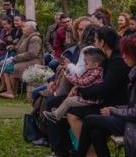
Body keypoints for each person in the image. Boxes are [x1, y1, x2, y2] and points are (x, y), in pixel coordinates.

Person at [46, 26, 130, 156]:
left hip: (114, 106)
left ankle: (86, 154)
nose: (94, 44)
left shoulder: (117, 60)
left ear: (102, 42)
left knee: (73, 113)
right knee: (96, 133)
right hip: (107, 102)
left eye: (96, 41)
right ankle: (83, 153)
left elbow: (105, 89)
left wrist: (80, 91)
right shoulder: (108, 58)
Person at [74, 34, 136, 157]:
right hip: (127, 118)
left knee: (89, 119)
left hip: (132, 123)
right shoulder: (132, 71)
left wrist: (114, 111)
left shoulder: (118, 63)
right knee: (96, 133)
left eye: (127, 53)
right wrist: (117, 109)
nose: (124, 56)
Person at [44, 47, 106, 123]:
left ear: (95, 64)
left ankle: (56, 115)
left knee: (69, 101)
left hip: (91, 100)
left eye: (86, 64)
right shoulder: (92, 71)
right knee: (69, 97)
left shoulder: (95, 72)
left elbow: (84, 83)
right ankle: (60, 111)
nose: (85, 66)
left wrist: (74, 80)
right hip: (88, 97)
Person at [0, 20, 41, 99]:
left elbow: (32, 54)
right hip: (25, 59)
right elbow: (20, 49)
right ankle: (9, 91)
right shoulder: (26, 37)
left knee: (15, 68)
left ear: (30, 29)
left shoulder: (35, 38)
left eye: (24, 27)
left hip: (34, 61)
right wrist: (13, 47)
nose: (22, 28)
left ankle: (13, 92)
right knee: (6, 69)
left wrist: (16, 58)